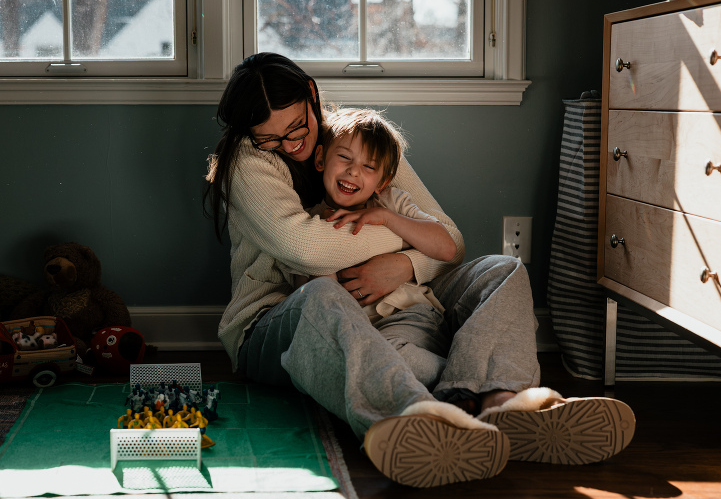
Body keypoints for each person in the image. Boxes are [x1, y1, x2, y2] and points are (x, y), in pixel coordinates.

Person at [204, 52, 636, 488]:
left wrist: (403, 263)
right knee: (322, 295)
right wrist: (404, 240)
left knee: (501, 270)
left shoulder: (359, 140)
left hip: (398, 305)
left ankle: (500, 400)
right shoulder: (249, 160)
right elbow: (307, 249)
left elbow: (450, 241)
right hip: (278, 325)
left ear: (311, 95)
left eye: (297, 127)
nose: (292, 144)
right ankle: (414, 416)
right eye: (272, 138)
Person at [291, 107, 451, 329]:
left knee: (406, 355)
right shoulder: (307, 223)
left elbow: (447, 249)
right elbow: (312, 297)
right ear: (320, 159)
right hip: (351, 329)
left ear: (382, 182)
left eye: (368, 166)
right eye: (344, 157)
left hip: (407, 313)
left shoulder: (392, 203)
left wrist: (387, 218)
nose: (354, 171)